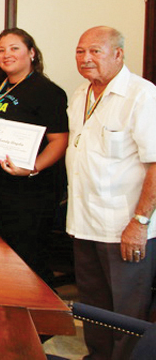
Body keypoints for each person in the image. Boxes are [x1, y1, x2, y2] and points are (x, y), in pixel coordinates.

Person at [66, 26, 156, 360]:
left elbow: (155, 164)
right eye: (79, 51)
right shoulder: (81, 94)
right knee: (93, 307)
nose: (86, 58)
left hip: (124, 227)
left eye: (95, 51)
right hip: (83, 222)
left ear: (118, 54)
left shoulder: (141, 95)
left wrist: (140, 222)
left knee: (127, 314)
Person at [0, 28, 68, 285]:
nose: (6, 55)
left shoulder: (47, 91)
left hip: (27, 193)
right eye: (1, 50)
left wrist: (33, 167)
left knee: (25, 261)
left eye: (14, 48)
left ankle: (34, 317)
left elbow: (60, 141)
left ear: (32, 53)